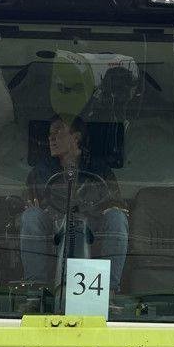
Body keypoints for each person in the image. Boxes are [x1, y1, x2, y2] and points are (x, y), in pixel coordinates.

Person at [19, 116, 128, 293]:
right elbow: (29, 201)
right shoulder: (40, 172)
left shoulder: (100, 169)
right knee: (31, 216)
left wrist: (111, 208)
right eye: (50, 134)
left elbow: (116, 203)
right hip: (53, 228)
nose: (51, 138)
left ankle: (109, 291)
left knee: (117, 217)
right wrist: (31, 207)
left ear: (76, 138)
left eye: (58, 131)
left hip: (93, 229)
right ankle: (36, 291)